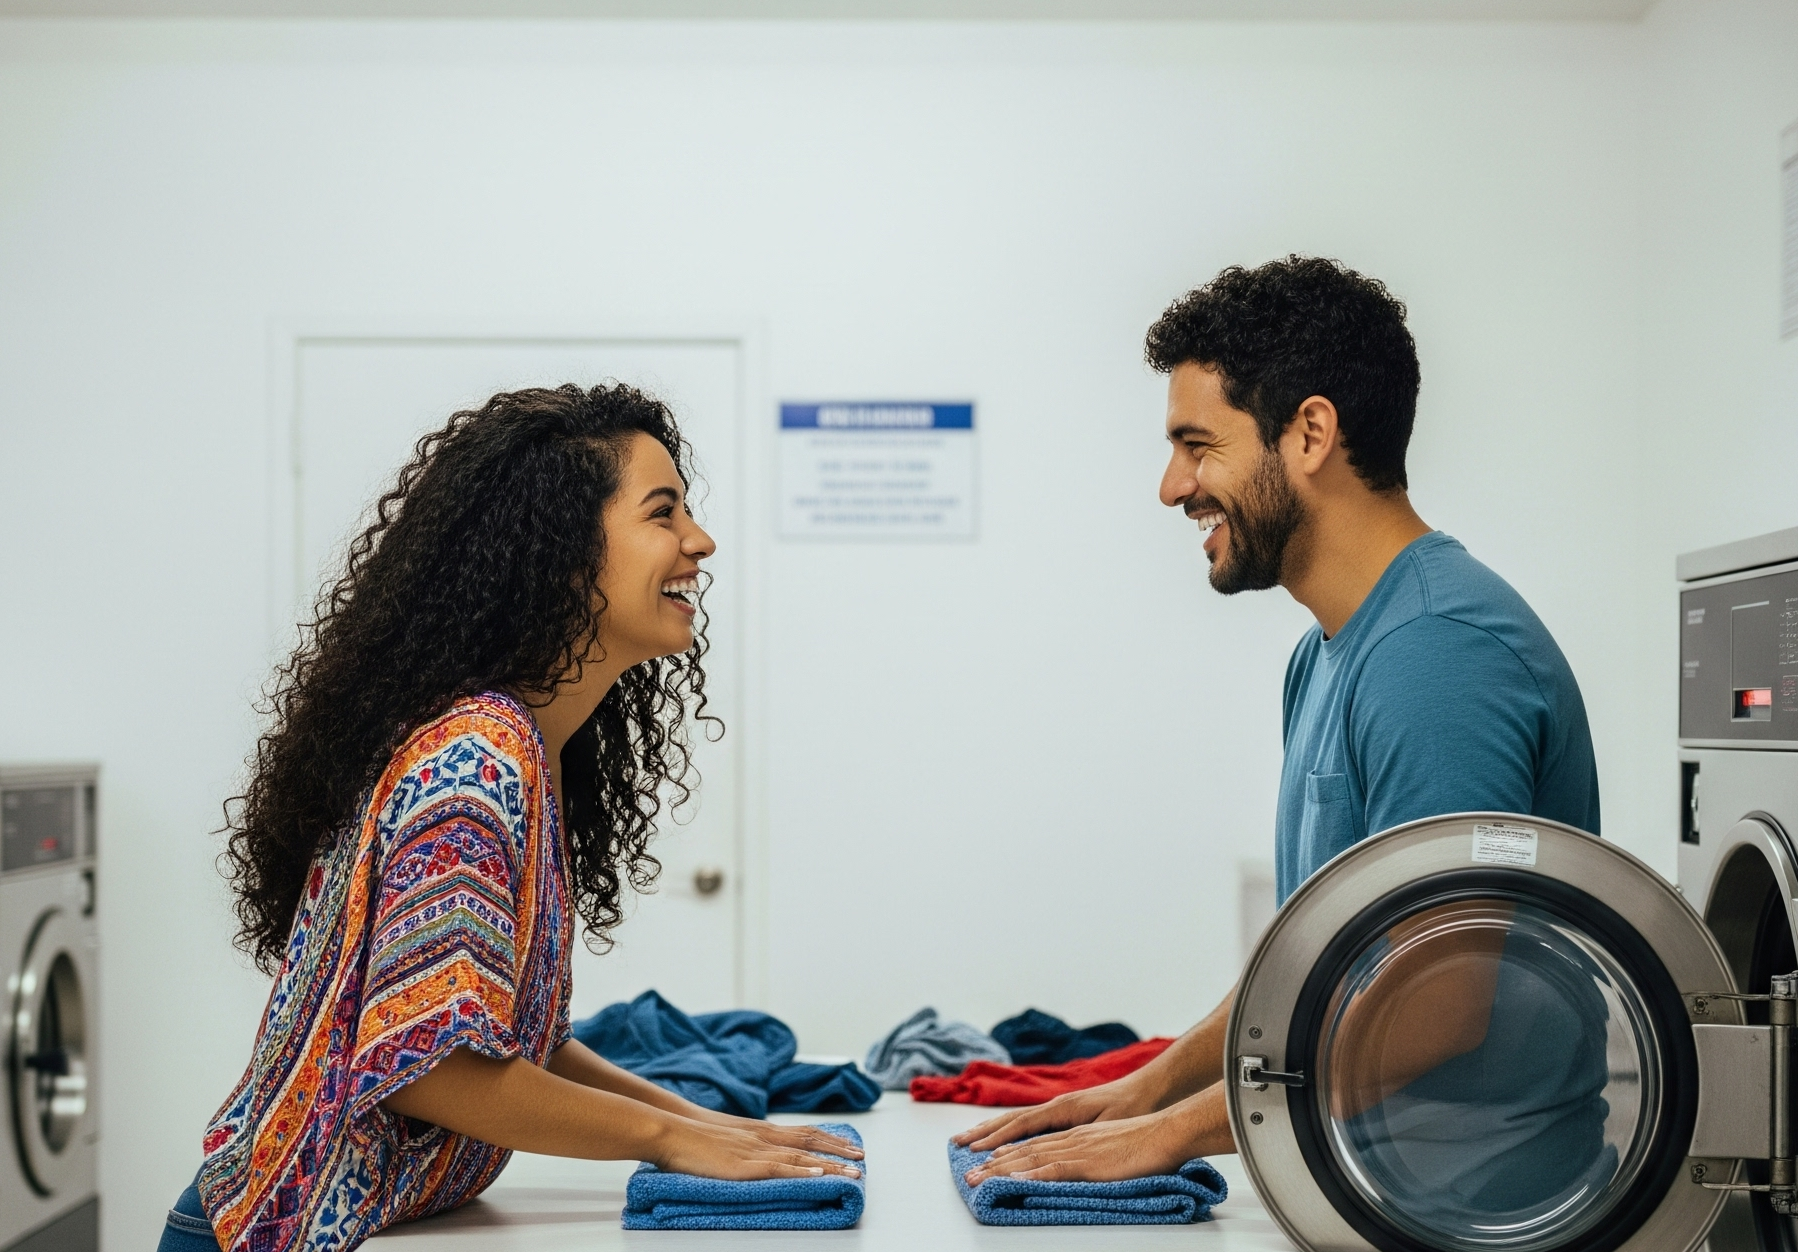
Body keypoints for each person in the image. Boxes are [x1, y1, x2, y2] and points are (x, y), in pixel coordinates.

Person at [159, 384, 860, 1252]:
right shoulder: (475, 758)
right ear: (565, 554)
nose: (700, 541)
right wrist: (670, 1139)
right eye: (663, 512)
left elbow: (514, 1038)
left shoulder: (522, 748)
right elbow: (433, 1066)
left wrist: (702, 1125)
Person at [958, 256, 1601, 1188]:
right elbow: (1309, 966)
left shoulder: (1437, 655)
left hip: (1480, 1213)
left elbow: (1437, 1010)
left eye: (1197, 444)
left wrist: (1166, 1136)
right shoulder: (1330, 652)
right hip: (1380, 1194)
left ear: (1309, 433)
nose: (1172, 487)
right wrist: (1139, 1093)